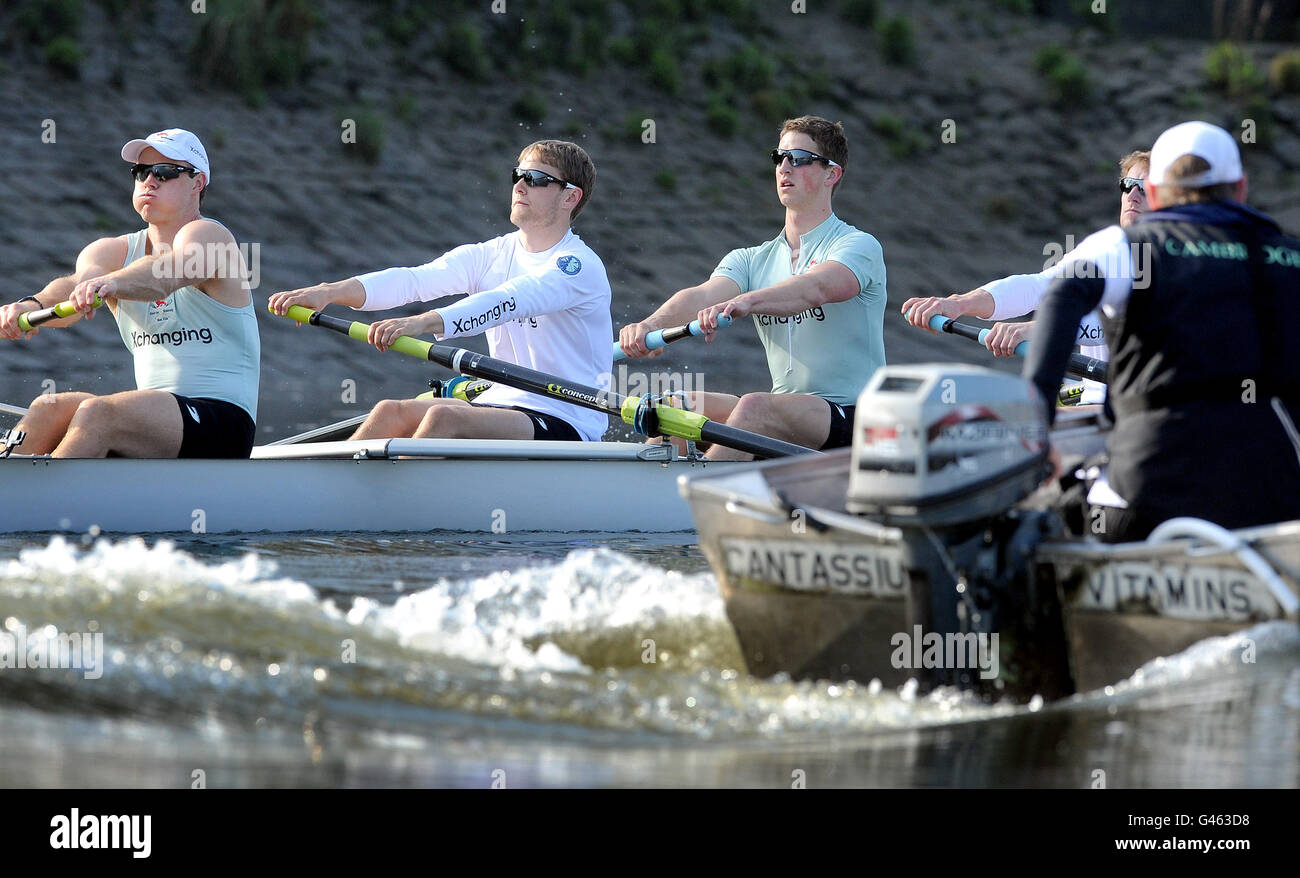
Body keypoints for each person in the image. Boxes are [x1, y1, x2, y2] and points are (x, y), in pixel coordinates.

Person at [1025, 120, 1300, 542]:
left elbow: (1062, 296)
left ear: (1153, 193)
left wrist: (1035, 427)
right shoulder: (1288, 256)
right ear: (1240, 188)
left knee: (1033, 519)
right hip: (1275, 500)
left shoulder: (1128, 246)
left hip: (1146, 497)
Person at [269, 140, 611, 443]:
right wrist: (328, 292)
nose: (520, 186)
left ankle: (391, 503)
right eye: (517, 176)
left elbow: (510, 300)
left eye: (536, 179)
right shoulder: (490, 254)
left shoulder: (577, 266)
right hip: (501, 399)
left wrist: (423, 323)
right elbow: (414, 280)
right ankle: (333, 493)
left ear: (570, 196)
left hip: (568, 414)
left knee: (441, 416)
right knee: (390, 411)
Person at [618, 116, 886, 460]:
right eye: (780, 157)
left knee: (755, 406)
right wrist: (652, 325)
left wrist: (747, 302)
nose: (785, 167)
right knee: (672, 408)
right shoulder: (751, 259)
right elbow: (701, 295)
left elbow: (814, 289)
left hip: (856, 416)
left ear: (831, 173)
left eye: (800, 159)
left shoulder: (858, 246)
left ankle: (689, 506)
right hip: (791, 412)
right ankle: (643, 499)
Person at [0, 128, 259, 458]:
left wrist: (112, 284)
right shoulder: (111, 250)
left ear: (198, 183)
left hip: (223, 422)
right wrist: (30, 305)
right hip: (156, 422)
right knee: (48, 406)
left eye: (165, 172)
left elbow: (170, 273)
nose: (150, 181)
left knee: (98, 414)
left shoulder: (211, 237)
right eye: (141, 172)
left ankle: (41, 500)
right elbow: (74, 286)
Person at [901, 150, 1151, 405]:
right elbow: (1037, 287)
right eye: (1128, 185)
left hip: (1148, 406)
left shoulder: (1173, 258)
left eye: (1144, 188)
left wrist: (1037, 329)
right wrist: (958, 304)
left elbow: (1126, 323)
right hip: (1096, 403)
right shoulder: (1101, 248)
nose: (1132, 195)